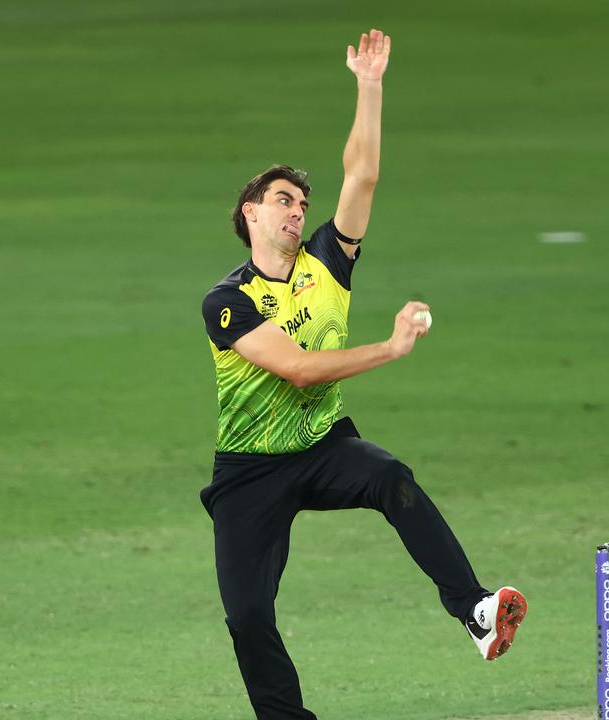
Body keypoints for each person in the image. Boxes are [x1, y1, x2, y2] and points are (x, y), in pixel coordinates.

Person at [199, 29, 526, 720]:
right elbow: (296, 369)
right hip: (250, 471)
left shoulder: (327, 266)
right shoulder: (226, 303)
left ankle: (473, 608)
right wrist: (390, 348)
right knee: (247, 617)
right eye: (282, 200)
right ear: (249, 213)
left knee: (388, 475)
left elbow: (363, 175)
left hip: (322, 447)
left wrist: (369, 86)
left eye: (301, 204)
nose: (297, 211)